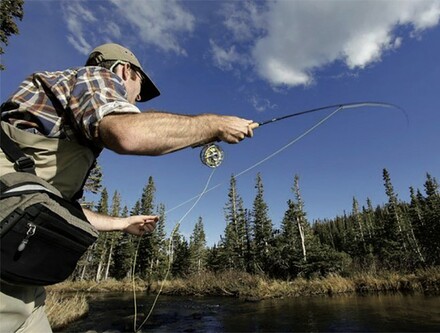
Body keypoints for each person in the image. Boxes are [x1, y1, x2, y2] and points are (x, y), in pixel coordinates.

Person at [0, 43, 258, 332]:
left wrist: (123, 223)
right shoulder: (97, 77)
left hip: (18, 275)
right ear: (125, 70)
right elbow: (128, 133)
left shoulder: (68, 123)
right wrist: (216, 124)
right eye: (139, 88)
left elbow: (51, 205)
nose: (136, 98)